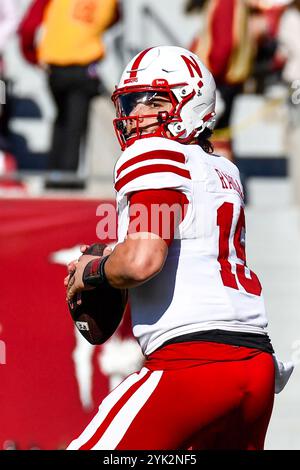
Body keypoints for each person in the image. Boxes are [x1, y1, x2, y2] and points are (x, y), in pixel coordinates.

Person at [65, 46, 292, 450]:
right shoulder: (221, 169)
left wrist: (93, 270)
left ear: (192, 102)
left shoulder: (156, 154)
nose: (135, 113)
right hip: (256, 364)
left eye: (152, 100)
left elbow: (141, 260)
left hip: (194, 361)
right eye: (131, 102)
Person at [19, 0, 119, 188]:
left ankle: (53, 179)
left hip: (55, 68)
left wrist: (32, 56)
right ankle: (66, 183)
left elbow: (27, 28)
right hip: (84, 68)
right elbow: (115, 18)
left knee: (62, 121)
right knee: (74, 127)